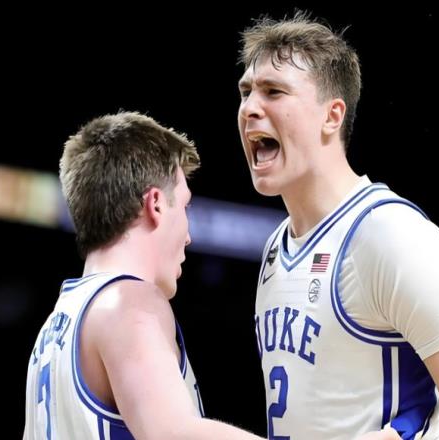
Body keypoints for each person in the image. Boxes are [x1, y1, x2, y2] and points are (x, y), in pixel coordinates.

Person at [237, 11, 439, 440]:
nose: (249, 109)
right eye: (245, 92)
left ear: (332, 116)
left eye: (273, 91)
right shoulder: (275, 247)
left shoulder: (391, 234)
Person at [23, 111, 272, 439]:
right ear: (155, 204)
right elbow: (175, 434)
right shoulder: (129, 302)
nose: (188, 236)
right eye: (184, 206)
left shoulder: (54, 328)